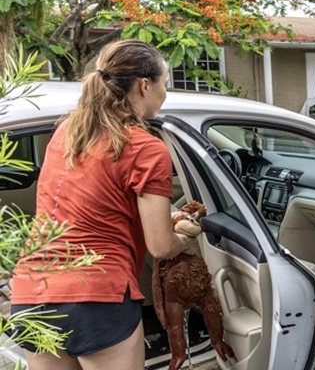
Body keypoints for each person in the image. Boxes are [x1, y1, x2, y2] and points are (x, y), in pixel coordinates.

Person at [10, 40, 199, 370]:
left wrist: (160, 218)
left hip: (33, 291)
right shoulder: (146, 149)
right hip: (95, 295)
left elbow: (88, 206)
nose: (165, 93)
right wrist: (187, 239)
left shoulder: (68, 132)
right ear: (144, 85)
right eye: (165, 83)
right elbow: (160, 246)